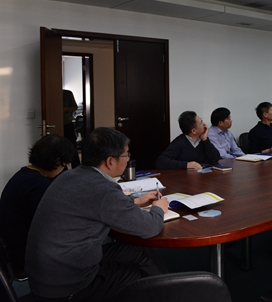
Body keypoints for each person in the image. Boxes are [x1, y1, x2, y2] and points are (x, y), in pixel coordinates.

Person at [25, 127, 169, 302]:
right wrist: (158, 208)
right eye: (126, 155)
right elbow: (149, 228)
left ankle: (166, 293)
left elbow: (95, 204)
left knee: (137, 251)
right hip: (67, 284)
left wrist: (135, 201)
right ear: (110, 161)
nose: (128, 159)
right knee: (138, 279)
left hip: (49, 271)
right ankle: (163, 293)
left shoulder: (69, 176)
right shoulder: (104, 189)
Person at [0, 135, 76, 277]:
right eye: (64, 164)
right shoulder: (39, 185)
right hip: (23, 255)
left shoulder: (24, 175)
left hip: (10, 248)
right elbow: (49, 227)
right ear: (57, 161)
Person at [155, 111, 221, 169]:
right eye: (201, 122)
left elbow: (215, 158)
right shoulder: (179, 142)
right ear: (193, 131)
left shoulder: (203, 140)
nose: (204, 124)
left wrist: (205, 140)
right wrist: (186, 165)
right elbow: (161, 162)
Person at [63, 89, 81, 167]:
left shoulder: (68, 93)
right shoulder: (52, 93)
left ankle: (76, 165)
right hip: (56, 123)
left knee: (72, 145)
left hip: (67, 123)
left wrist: (67, 109)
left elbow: (75, 107)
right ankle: (62, 167)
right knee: (58, 146)